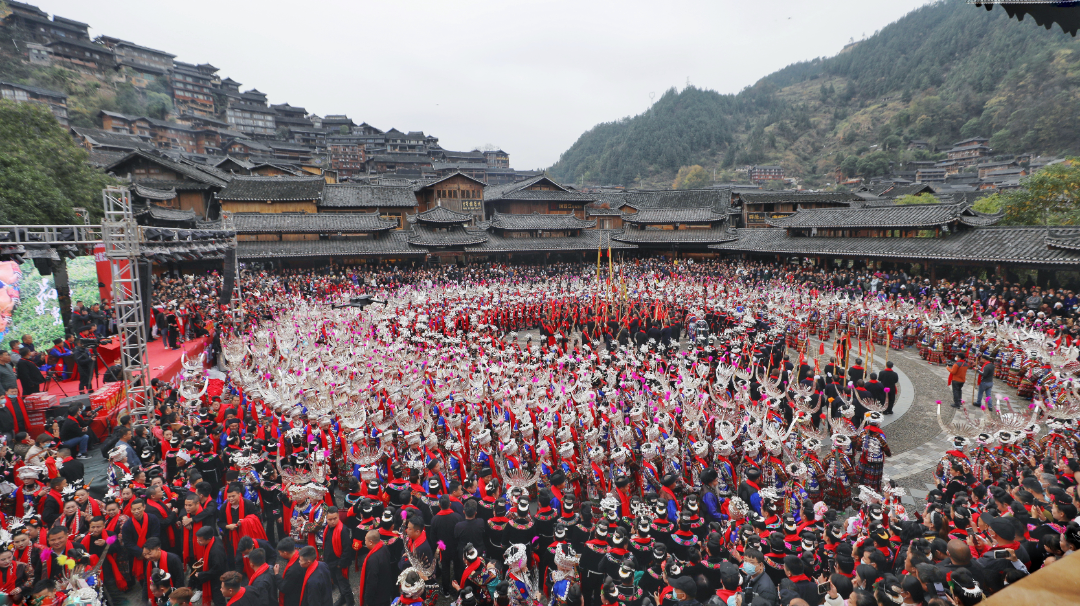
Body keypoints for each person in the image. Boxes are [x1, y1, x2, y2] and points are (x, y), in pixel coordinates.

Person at [357, 529, 396, 606]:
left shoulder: (373, 559)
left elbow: (371, 582)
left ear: (371, 542)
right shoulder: (384, 548)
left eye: (365, 540)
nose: (365, 542)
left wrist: (367, 600)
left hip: (377, 598)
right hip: (385, 591)